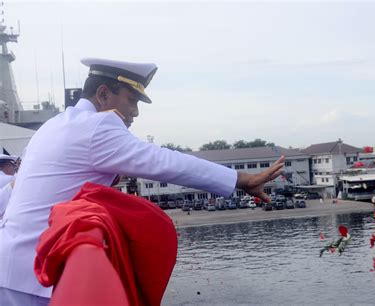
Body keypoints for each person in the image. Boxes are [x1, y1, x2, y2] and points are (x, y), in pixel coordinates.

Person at [0, 58, 285, 306]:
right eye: (132, 100)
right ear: (102, 94)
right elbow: (163, 161)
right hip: (35, 279)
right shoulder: (97, 126)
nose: (135, 112)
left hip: (10, 266)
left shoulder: (54, 125)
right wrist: (240, 179)